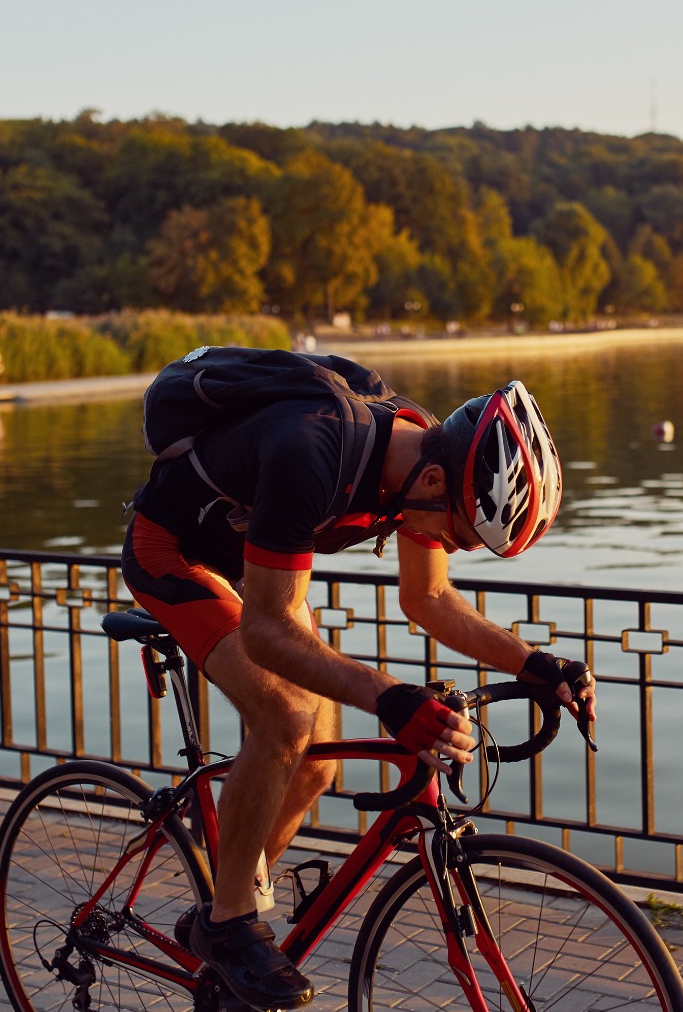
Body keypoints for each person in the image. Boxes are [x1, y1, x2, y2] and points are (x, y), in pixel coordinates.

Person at [121, 352, 591, 1011]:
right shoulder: (311, 448)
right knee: (285, 717)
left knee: (316, 764)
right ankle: (227, 925)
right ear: (433, 477)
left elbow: (429, 600)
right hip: (176, 553)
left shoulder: (422, 463)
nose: (451, 548)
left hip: (259, 570)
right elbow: (266, 630)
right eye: (457, 533)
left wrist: (533, 663)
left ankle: (233, 892)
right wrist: (388, 695)